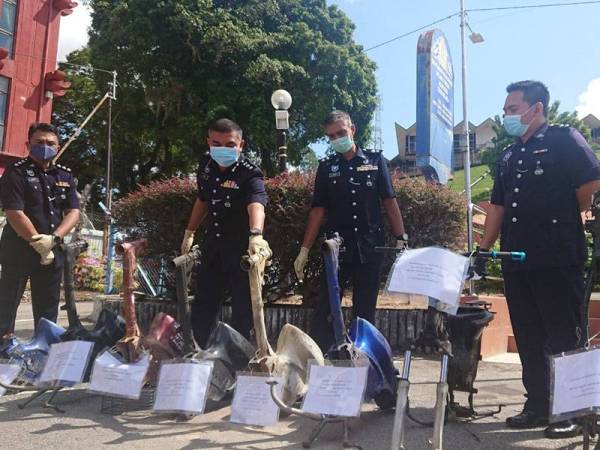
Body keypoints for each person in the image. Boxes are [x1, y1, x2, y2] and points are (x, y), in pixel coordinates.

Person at [476, 80, 600, 438]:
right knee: (529, 335)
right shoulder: (509, 154)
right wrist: (485, 249)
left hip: (558, 256)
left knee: (564, 335)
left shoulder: (564, 139)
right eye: (505, 110)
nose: (506, 116)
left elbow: (591, 184)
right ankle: (537, 405)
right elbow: (496, 206)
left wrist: (561, 216)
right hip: (517, 260)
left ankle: (573, 411)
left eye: (512, 109)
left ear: (537, 108)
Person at [294, 110, 407, 351]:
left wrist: (401, 237)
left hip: (369, 247)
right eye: (331, 136)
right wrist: (304, 249)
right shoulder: (326, 168)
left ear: (352, 130)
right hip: (335, 250)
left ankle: (364, 359)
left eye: (341, 133)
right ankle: (320, 359)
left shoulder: (375, 161)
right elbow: (318, 209)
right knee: (326, 307)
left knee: (365, 310)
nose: (337, 139)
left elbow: (389, 201)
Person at [181, 118, 270, 347]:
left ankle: (239, 362)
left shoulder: (250, 173)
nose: (223, 149)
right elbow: (202, 199)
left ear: (241, 145)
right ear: (208, 142)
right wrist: (190, 231)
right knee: (203, 305)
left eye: (230, 144)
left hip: (241, 252)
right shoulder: (205, 165)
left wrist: (256, 235)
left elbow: (256, 205)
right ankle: (196, 357)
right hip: (213, 248)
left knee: (243, 310)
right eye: (217, 143)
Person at [0, 122, 80, 338]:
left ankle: (43, 352)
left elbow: (74, 211)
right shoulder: (16, 173)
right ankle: (3, 353)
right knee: (6, 306)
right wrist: (38, 242)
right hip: (19, 249)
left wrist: (53, 239)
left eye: (50, 143)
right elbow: (14, 212)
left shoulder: (65, 175)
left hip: (52, 251)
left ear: (58, 146)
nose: (45, 146)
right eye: (39, 142)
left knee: (47, 309)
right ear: (28, 144)